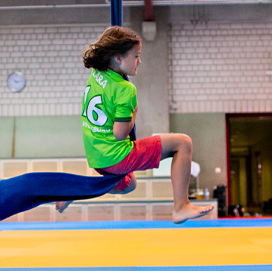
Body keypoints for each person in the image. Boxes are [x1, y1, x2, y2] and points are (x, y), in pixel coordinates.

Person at [56, 26, 213, 223]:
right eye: (136, 56)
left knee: (129, 184)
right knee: (183, 143)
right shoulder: (125, 89)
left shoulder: (97, 73)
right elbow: (120, 134)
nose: (140, 60)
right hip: (116, 156)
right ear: (118, 57)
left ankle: (74, 193)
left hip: (97, 157)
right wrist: (133, 113)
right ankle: (181, 206)